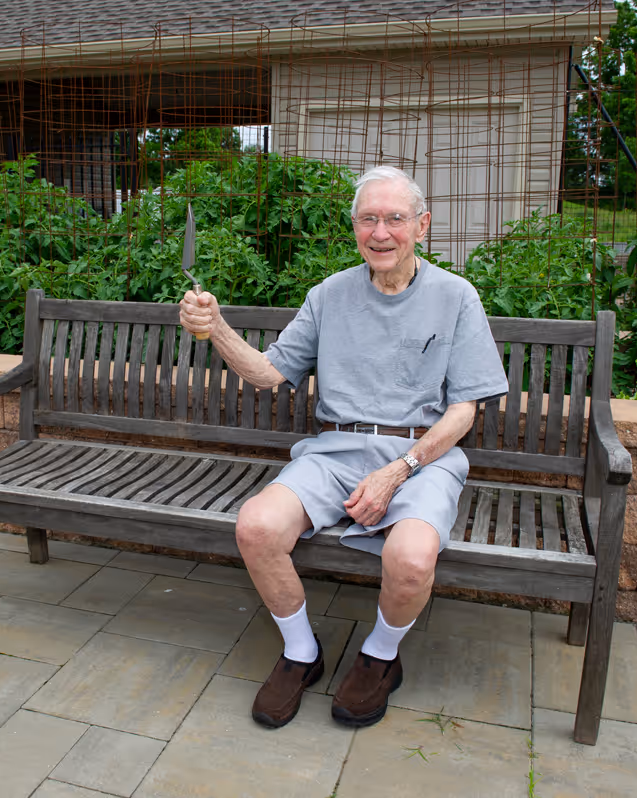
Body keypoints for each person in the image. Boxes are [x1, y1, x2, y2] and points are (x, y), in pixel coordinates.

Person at [179, 165, 508, 729]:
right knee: (256, 527)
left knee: (409, 560)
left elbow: (463, 411)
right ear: (355, 228)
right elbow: (267, 372)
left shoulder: (456, 296)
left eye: (395, 219)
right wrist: (217, 329)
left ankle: (380, 655)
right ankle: (302, 654)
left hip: (421, 457)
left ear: (422, 226)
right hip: (336, 452)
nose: (381, 232)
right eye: (368, 219)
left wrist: (398, 470)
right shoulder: (329, 295)